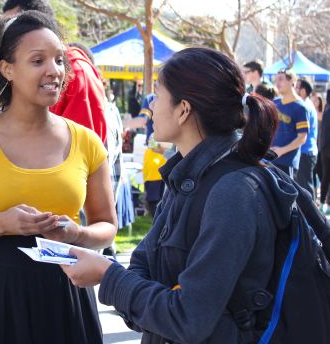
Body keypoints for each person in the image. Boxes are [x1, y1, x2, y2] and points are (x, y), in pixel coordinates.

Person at [59, 47, 298, 344]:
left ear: (183, 109)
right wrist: (133, 287)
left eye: (157, 95)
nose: (150, 107)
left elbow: (188, 318)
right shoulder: (187, 174)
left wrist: (108, 275)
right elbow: (143, 265)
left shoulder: (234, 192)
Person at [0, 11, 117, 344]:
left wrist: (76, 232)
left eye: (59, 60)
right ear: (7, 69)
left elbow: (107, 227)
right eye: (38, 60)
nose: (54, 70)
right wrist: (2, 223)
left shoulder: (87, 142)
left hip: (66, 295)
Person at [3, 0, 107, 144]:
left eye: (12, 24)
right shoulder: (14, 69)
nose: (6, 33)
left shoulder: (77, 71)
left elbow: (83, 155)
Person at [123, 93, 166, 218]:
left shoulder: (151, 98)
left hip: (156, 154)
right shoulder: (181, 93)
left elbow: (141, 121)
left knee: (154, 198)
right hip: (174, 152)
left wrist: (120, 122)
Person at [271, 68, 309, 179]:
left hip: (288, 162)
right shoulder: (275, 102)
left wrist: (281, 151)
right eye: (276, 79)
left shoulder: (301, 107)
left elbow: (302, 138)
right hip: (270, 159)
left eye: (281, 79)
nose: (277, 83)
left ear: (292, 81)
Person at [294, 78, 318, 199]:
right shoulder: (308, 104)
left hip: (306, 152)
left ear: (303, 91)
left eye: (297, 87)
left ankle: (311, 217)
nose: (294, 89)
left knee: (305, 189)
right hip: (308, 151)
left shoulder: (305, 106)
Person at [318, 90, 330, 213]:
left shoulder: (325, 112)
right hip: (326, 147)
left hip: (324, 148)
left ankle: (322, 202)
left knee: (326, 176)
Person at [312, 91, 324, 199]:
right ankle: (315, 198)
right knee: (313, 175)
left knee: (322, 173)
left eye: (316, 100)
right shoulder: (311, 112)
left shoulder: (323, 114)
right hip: (314, 148)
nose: (314, 102)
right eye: (312, 99)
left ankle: (325, 196)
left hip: (321, 148)